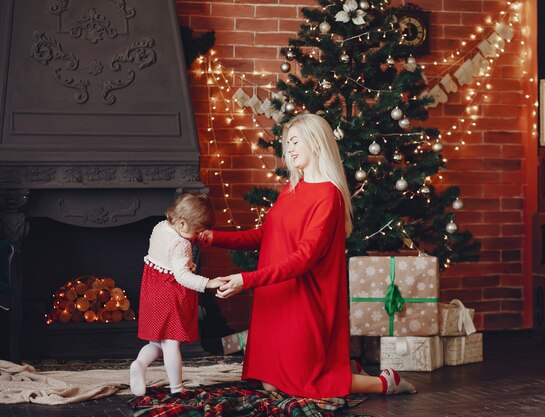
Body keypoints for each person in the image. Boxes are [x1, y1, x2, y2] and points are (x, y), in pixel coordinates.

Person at [199, 113, 416, 398]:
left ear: (315, 143)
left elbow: (304, 258)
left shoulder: (328, 195)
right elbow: (265, 235)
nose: (288, 149)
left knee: (305, 384)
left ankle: (385, 383)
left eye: (294, 141)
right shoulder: (291, 189)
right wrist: (213, 237)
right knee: (271, 383)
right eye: (286, 143)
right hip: (274, 296)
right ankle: (352, 370)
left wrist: (246, 280)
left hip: (304, 298)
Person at [129, 192, 223, 396]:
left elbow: (166, 259)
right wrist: (209, 283)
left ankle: (139, 364)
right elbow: (182, 276)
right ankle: (177, 387)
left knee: (156, 342)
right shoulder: (182, 243)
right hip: (169, 295)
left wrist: (186, 263)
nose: (199, 237)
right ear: (182, 224)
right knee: (171, 343)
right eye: (197, 232)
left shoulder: (160, 227)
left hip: (152, 290)